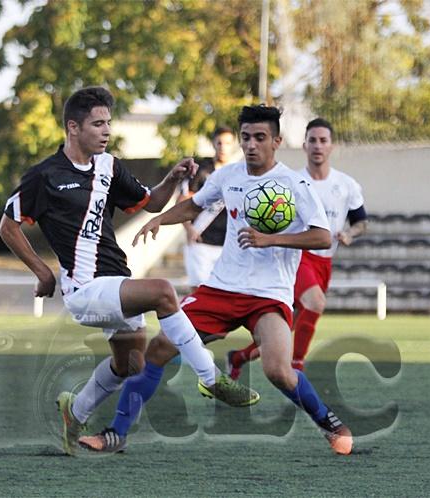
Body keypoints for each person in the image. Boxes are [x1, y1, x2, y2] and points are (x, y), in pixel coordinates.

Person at [78, 105, 354, 456]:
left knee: (278, 371)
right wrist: (160, 219)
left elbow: (322, 236)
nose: (251, 144)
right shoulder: (229, 176)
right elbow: (195, 205)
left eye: (260, 137)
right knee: (159, 349)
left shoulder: (294, 184)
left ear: (277, 141)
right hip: (221, 289)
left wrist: (270, 239)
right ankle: (116, 433)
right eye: (245, 137)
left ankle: (330, 424)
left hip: (269, 295)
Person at [0, 87, 258, 456]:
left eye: (108, 123)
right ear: (73, 127)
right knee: (163, 292)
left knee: (130, 364)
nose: (106, 130)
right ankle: (210, 377)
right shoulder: (46, 176)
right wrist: (43, 273)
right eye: (97, 124)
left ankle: (75, 411)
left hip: (115, 280)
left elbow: (149, 202)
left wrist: (171, 179)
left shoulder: (109, 166)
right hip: (84, 289)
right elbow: (8, 226)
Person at [226, 118, 368, 378]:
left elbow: (361, 222)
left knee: (287, 325)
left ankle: (239, 357)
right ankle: (297, 368)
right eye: (312, 140)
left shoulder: (346, 185)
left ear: (332, 146)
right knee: (315, 302)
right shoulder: (291, 182)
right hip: (298, 257)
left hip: (325, 261)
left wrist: (349, 233)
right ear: (304, 145)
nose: (317, 146)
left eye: (323, 140)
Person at [179, 126, 237, 291]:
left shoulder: (239, 172)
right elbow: (182, 202)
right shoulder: (201, 170)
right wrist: (189, 229)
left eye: (227, 143)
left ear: (234, 145)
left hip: (228, 245)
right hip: (201, 242)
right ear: (213, 143)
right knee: (200, 292)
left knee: (226, 294)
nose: (223, 147)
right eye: (219, 143)